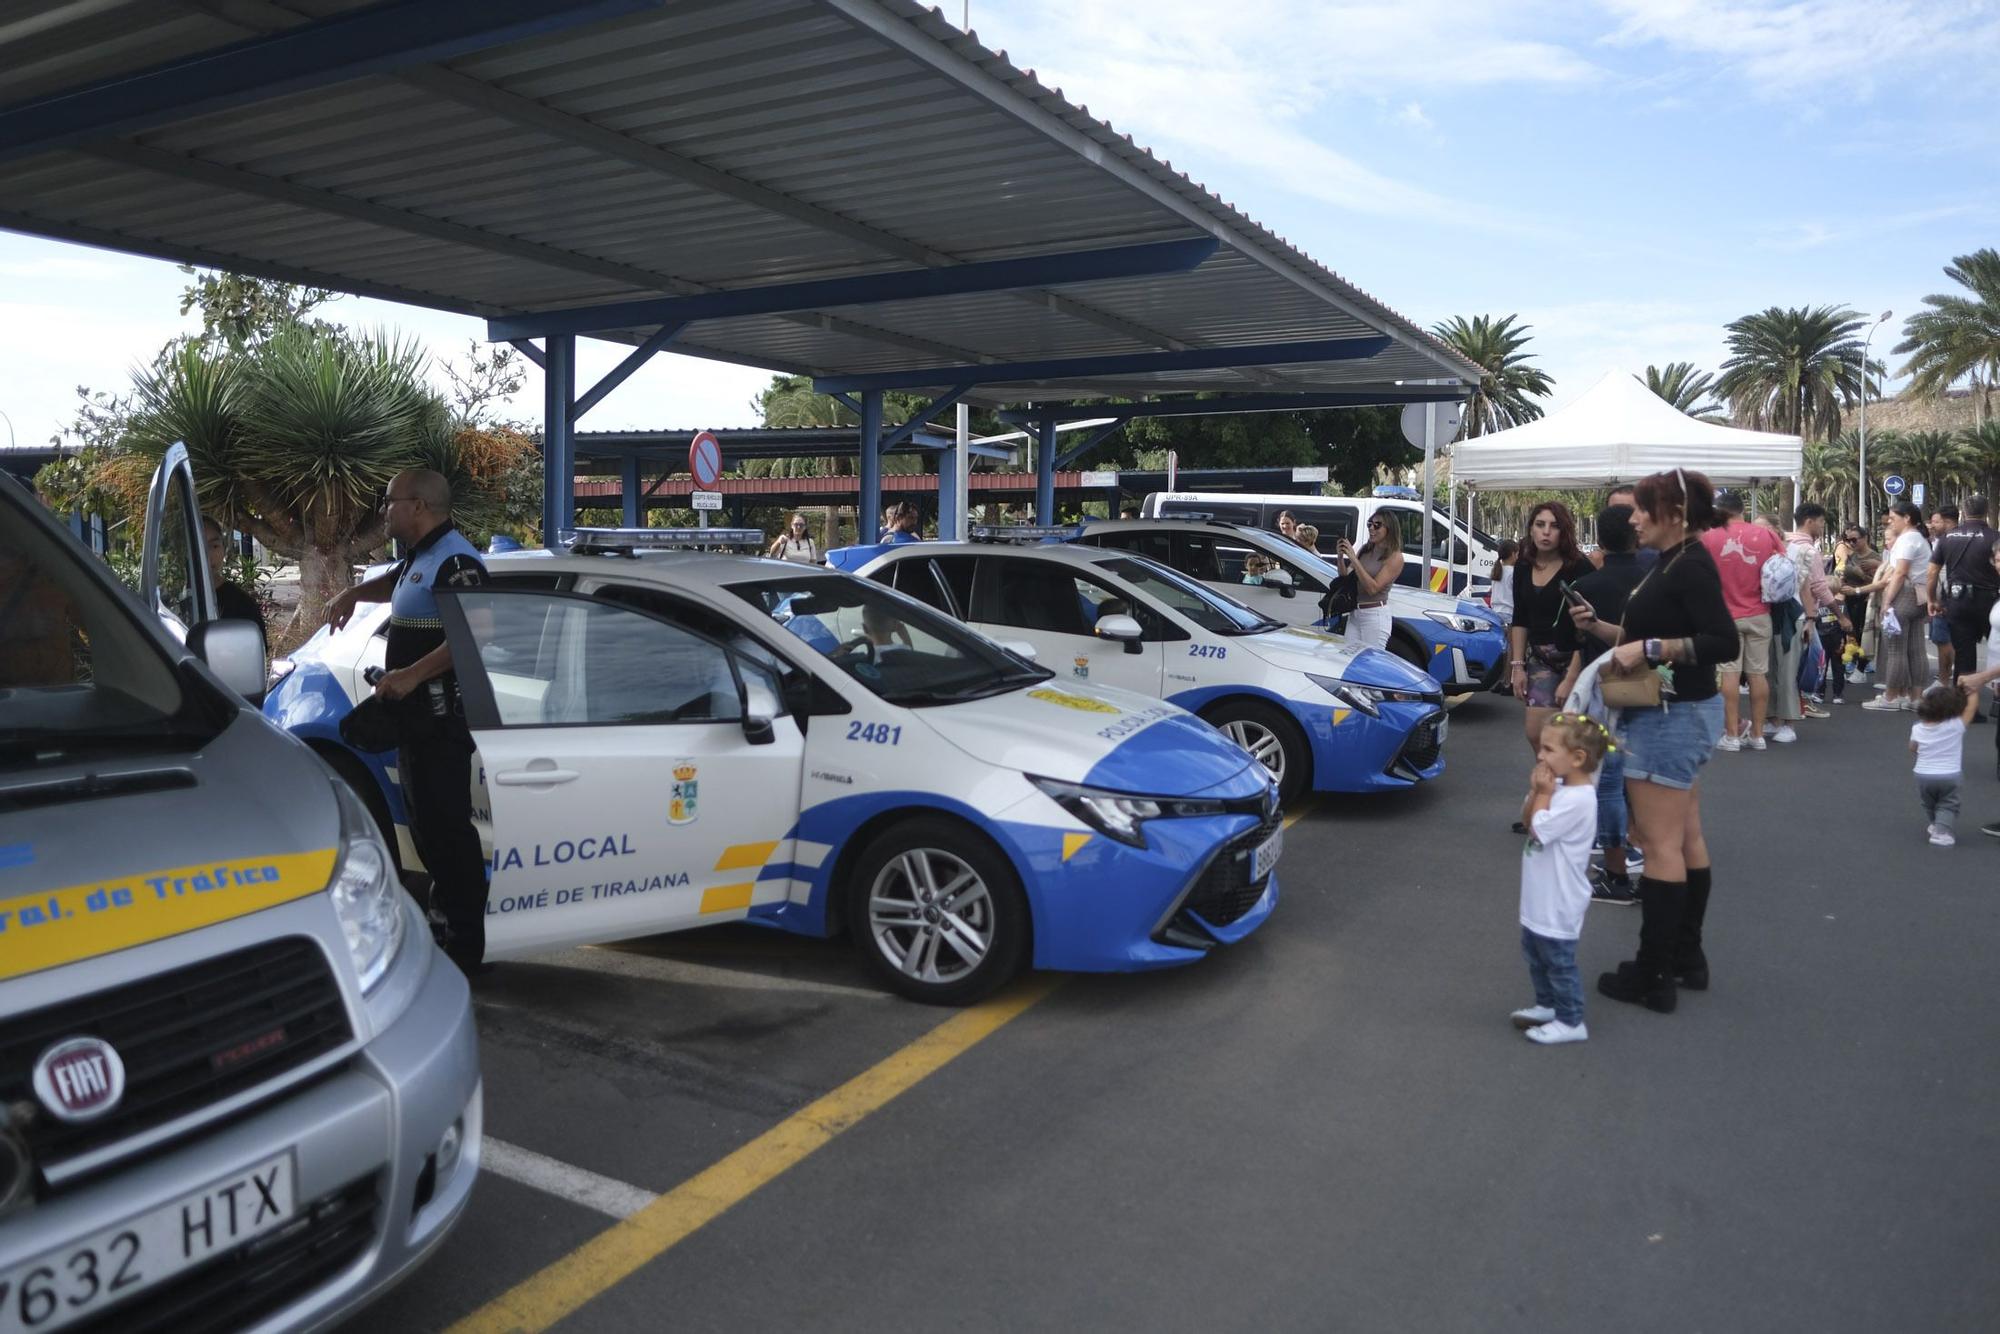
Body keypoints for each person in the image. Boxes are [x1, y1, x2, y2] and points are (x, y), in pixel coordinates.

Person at [1568, 468, 1738, 1014]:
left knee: (1659, 842)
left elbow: (1721, 640)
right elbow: (1642, 640)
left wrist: (1652, 650)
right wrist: (1605, 633)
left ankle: (1653, 972)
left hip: (1671, 716)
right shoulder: (1675, 562)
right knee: (1684, 837)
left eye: (1642, 509)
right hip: (1677, 714)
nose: (1633, 518)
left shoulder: (1689, 564)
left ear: (1674, 513)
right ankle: (1685, 958)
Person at [326, 469, 491, 973]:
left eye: (390, 502)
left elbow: (477, 633)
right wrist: (353, 595)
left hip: (442, 724)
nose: (384, 511)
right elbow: (399, 583)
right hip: (415, 725)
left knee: (447, 834)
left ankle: (464, 949)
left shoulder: (458, 559)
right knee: (427, 832)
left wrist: (411, 676)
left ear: (418, 505)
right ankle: (443, 930)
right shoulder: (422, 556)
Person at [1556, 505, 1647, 906]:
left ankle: (1615, 868)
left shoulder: (1587, 586)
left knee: (1608, 781)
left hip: (1603, 689)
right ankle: (1640, 845)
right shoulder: (1652, 580)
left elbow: (1567, 640)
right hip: (1648, 684)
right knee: (1640, 776)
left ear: (1602, 540)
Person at [1509, 713, 1609, 1046]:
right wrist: (1539, 791)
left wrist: (1542, 793)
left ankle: (1570, 1020)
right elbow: (1528, 819)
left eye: (1549, 750)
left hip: (1559, 901)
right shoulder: (1557, 790)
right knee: (1536, 955)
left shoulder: (1579, 800)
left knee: (1558, 961)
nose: (1540, 755)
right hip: (1540, 898)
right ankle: (1547, 1004)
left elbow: (1538, 829)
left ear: (1578, 758)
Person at [1509, 502, 1597, 768]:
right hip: (1539, 659)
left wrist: (1571, 676)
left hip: (1577, 658)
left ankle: (1575, 788)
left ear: (1564, 531)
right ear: (1531, 529)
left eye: (1554, 526)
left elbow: (1589, 628)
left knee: (1575, 736)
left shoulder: (1579, 567)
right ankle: (1553, 783)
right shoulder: (1523, 566)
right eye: (1540, 525)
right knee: (1537, 732)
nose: (1546, 532)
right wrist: (1517, 667)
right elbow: (1519, 618)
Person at [1702, 489, 1785, 752]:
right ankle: (1758, 735)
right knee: (1758, 674)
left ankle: (1731, 736)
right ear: (1742, 509)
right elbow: (1782, 565)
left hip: (1724, 616)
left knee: (1729, 673)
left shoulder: (1708, 537)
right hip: (1760, 613)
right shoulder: (1765, 534)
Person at [1857, 501, 1932, 711]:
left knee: (1895, 649)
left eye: (1893, 518)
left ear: (1906, 518)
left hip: (1905, 595)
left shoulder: (1907, 540)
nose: (1890, 522)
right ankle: (1915, 698)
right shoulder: (1919, 539)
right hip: (1919, 596)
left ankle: (1890, 697)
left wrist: (1887, 601)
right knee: (1916, 649)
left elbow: (1899, 572)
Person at [1929, 495, 1998, 711]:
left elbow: (1932, 573)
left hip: (1957, 602)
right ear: (1986, 511)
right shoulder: (1994, 537)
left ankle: (1967, 708)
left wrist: (1932, 599)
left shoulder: (1948, 538)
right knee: (1997, 649)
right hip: (1989, 601)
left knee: (1964, 655)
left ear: (1963, 512)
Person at [1784, 504, 1849, 728]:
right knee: (1813, 658)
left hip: (1784, 611)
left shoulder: (1785, 543)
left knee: (1791, 663)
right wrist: (1840, 616)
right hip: (1803, 613)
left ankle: (1796, 704)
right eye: (1821, 522)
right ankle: (1801, 703)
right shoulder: (1809, 551)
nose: (1822, 526)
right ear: (1809, 521)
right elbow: (1819, 587)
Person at [1910, 682, 1980, 847]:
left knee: (1929, 802)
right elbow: (1971, 708)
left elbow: (1913, 748)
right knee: (1948, 803)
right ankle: (1941, 833)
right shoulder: (1956, 725)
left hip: (1923, 774)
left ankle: (1935, 824)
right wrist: (1973, 690)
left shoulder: (1918, 728)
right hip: (1949, 774)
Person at [1338, 511, 1405, 651]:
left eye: (1377, 525)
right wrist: (1340, 557)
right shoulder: (1366, 550)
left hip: (1374, 615)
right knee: (1347, 657)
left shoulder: (1395, 557)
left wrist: (1354, 559)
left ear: (1389, 529)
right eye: (1370, 524)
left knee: (1370, 661)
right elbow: (1345, 577)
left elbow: (1373, 589)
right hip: (1355, 613)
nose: (1371, 528)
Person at [201, 515, 264, 628]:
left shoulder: (242, 606)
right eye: (199, 547)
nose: (208, 555)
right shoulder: (170, 599)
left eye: (214, 546)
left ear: (224, 549)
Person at [1839, 525, 1880, 687]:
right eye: (1848, 540)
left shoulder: (1874, 557)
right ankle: (1853, 663)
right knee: (1850, 633)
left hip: (1866, 601)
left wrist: (1862, 575)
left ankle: (1861, 668)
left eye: (1854, 539)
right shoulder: (1851, 556)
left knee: (1865, 635)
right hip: (1850, 600)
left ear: (1865, 538)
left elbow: (1881, 582)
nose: (1851, 543)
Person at [1488, 539, 1519, 626]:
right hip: (1510, 614)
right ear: (1513, 554)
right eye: (1518, 554)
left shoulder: (1497, 571)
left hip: (1495, 613)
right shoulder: (1514, 572)